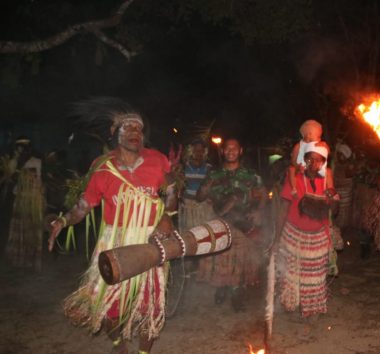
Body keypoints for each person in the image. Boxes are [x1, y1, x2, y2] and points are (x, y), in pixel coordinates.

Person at [47, 98, 177, 354]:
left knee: (150, 307)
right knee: (107, 308)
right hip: (113, 242)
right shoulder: (103, 167)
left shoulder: (158, 160)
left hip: (150, 241)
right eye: (127, 128)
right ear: (114, 133)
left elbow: (171, 191)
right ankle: (119, 346)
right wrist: (62, 221)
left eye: (138, 129)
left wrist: (168, 215)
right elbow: (83, 206)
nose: (134, 133)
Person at [195, 138, 266, 312]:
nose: (231, 151)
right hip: (220, 223)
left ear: (240, 151)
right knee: (221, 258)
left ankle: (237, 293)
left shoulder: (250, 174)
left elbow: (263, 194)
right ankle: (221, 287)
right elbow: (200, 197)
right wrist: (205, 188)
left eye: (235, 148)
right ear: (222, 151)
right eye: (227, 149)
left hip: (243, 223)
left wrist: (258, 212)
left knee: (240, 261)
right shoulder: (214, 174)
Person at [273, 141, 339, 317]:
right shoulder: (295, 179)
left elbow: (335, 211)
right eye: (311, 159)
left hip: (317, 239)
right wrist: (276, 238)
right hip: (293, 236)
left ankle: (312, 308)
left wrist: (332, 197)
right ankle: (291, 304)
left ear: (323, 163)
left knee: (315, 277)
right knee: (291, 275)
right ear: (305, 159)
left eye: (319, 160)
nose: (314, 164)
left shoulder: (327, 181)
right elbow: (283, 209)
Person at [4, 136, 45, 271]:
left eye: (23, 148)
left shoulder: (35, 162)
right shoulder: (17, 162)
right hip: (23, 200)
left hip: (31, 200)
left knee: (31, 228)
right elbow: (11, 178)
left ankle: (29, 261)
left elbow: (38, 182)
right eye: (19, 148)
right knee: (25, 228)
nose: (22, 150)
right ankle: (23, 261)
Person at [288, 120, 333, 198]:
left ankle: (330, 189)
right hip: (302, 167)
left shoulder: (321, 144)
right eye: (318, 136)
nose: (319, 139)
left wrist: (325, 146)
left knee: (328, 171)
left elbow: (328, 153)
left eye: (320, 137)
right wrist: (298, 166)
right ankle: (294, 188)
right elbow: (293, 160)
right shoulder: (299, 146)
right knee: (291, 169)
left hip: (317, 168)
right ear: (308, 135)